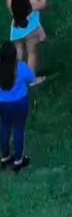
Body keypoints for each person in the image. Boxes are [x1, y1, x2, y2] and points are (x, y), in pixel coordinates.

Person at [0, 39, 43, 173]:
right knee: (19, 128)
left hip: (2, 103)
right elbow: (32, 78)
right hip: (19, 102)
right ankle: (19, 160)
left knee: (5, 126)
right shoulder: (21, 68)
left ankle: (5, 157)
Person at [7, 0, 48, 76]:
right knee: (31, 53)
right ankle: (30, 78)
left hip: (17, 30)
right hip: (30, 31)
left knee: (19, 53)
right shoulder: (31, 2)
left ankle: (15, 76)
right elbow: (44, 4)